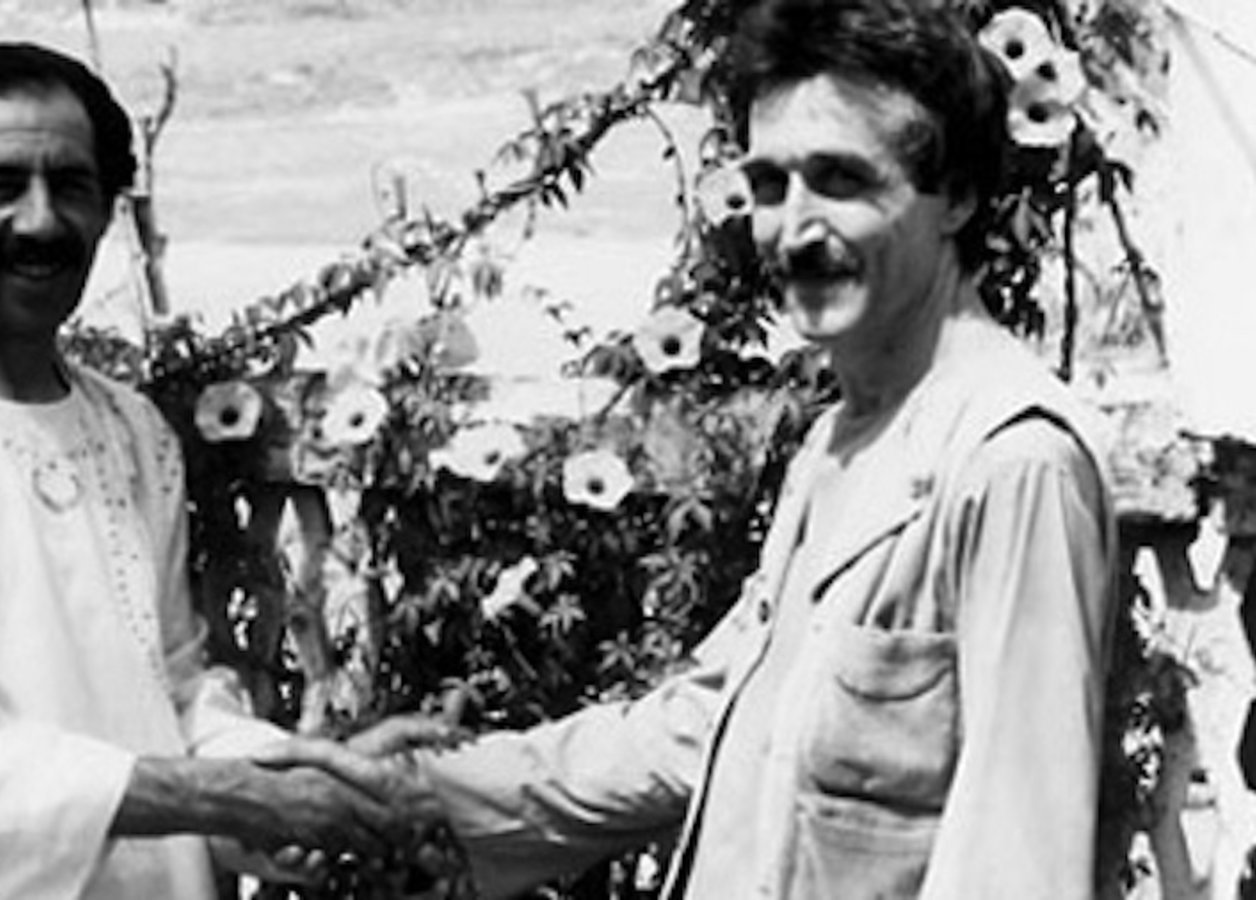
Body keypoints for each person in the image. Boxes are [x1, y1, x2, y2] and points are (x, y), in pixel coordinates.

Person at [384, 0, 1118, 897]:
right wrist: (416, 797)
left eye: (841, 181)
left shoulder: (1013, 464)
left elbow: (1017, 858)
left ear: (957, 196)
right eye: (771, 186)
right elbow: (713, 725)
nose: (794, 230)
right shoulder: (842, 440)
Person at [0, 42, 440, 900]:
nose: (40, 222)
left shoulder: (130, 432)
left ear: (107, 211)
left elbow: (174, 692)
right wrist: (238, 799)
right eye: (0, 187)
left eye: (70, 186)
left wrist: (302, 776)